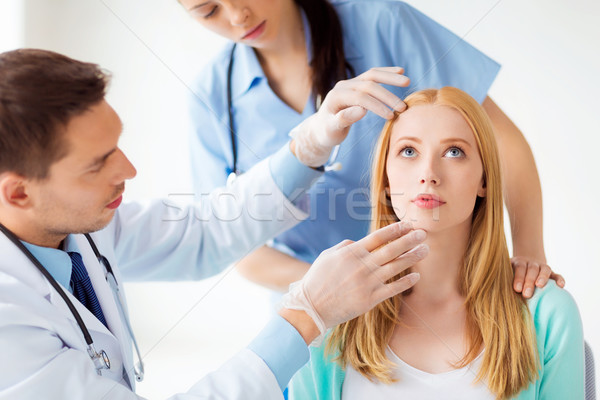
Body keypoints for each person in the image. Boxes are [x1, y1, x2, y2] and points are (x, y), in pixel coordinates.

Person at [0, 49, 428, 399]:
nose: (129, 170)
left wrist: (308, 146)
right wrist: (306, 317)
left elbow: (203, 233)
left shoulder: (79, 227)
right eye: (97, 165)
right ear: (17, 193)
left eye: (116, 146)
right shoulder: (8, 325)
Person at [180, 0, 562, 296]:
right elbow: (233, 243)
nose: (238, 16)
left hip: (439, 290)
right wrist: (344, 288)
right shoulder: (211, 97)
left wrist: (528, 249)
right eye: (209, 10)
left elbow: (500, 140)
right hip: (317, 315)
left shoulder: (381, 22)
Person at [289, 87, 585, 399]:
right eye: (408, 151)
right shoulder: (326, 315)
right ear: (386, 181)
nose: (428, 173)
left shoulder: (548, 314)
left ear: (484, 179)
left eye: (454, 152)